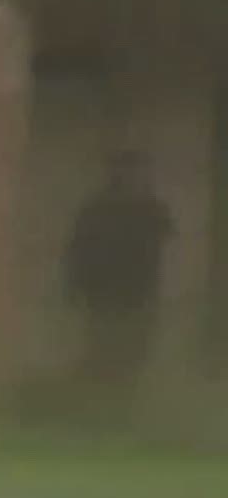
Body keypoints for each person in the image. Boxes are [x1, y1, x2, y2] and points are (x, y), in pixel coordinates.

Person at [63, 151, 173, 397]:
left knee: (133, 345)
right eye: (125, 171)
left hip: (138, 291)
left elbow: (165, 232)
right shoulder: (97, 208)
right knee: (104, 343)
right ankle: (102, 391)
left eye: (136, 171)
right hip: (105, 290)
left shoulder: (149, 207)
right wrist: (75, 285)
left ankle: (124, 391)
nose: (131, 177)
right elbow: (79, 248)